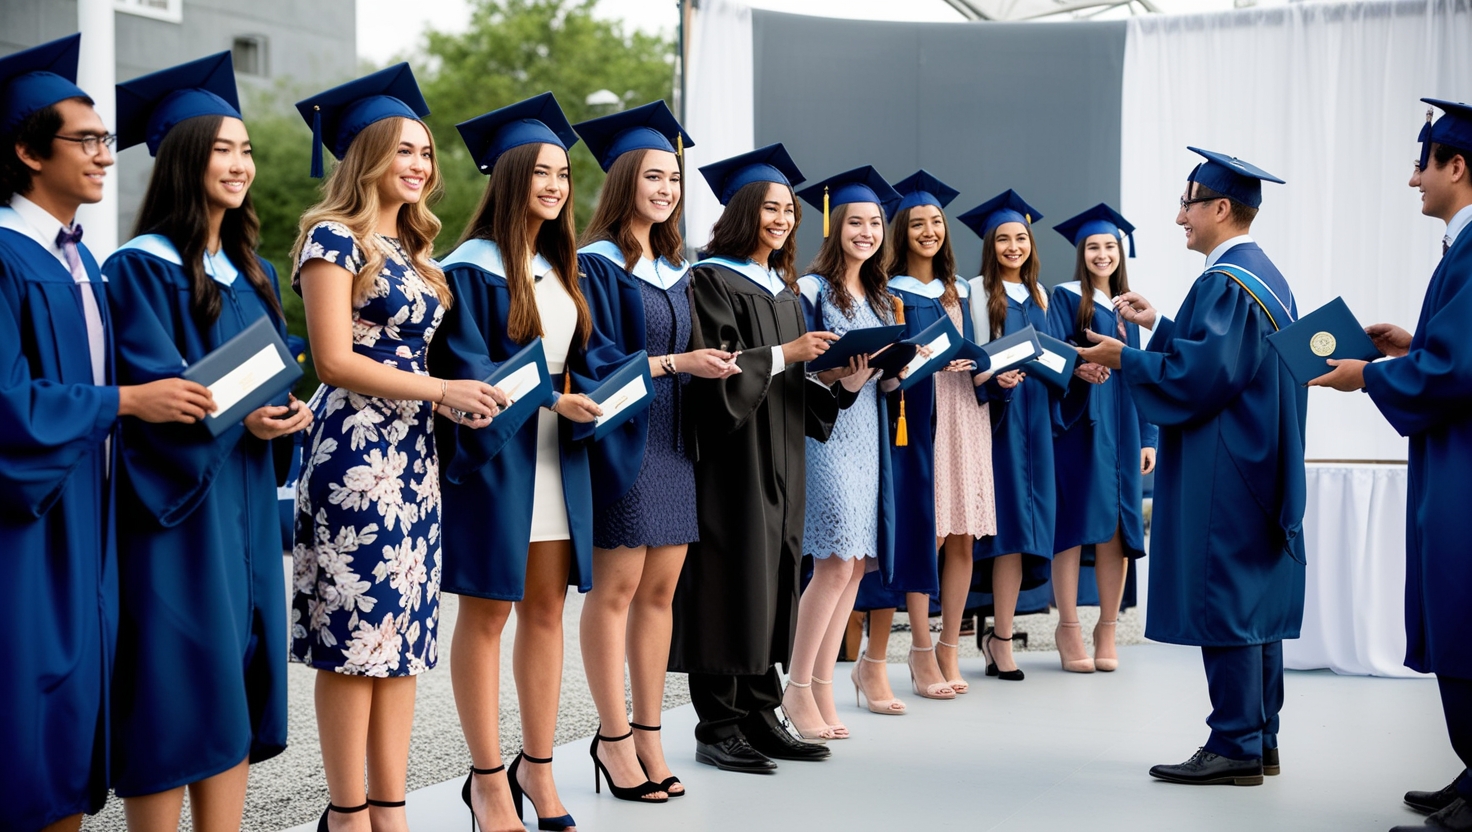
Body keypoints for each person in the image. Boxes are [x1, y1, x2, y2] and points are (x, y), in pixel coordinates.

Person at [0, 34, 216, 832]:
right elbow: (7, 401)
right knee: (25, 713)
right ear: (27, 150)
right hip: (27, 523)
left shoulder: (80, 262)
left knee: (75, 712)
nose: (104, 155)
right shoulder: (7, 256)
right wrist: (125, 403)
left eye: (104, 140)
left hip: (85, 516)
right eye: (85, 140)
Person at [290, 64, 503, 832]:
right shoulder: (333, 239)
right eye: (403, 151)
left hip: (413, 457)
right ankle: (346, 815)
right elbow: (334, 360)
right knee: (354, 633)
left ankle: (392, 811)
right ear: (366, 157)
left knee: (404, 637)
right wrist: (444, 393)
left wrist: (475, 394)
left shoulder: (420, 254)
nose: (418, 165)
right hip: (353, 451)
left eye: (425, 154)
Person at [103, 53, 310, 831]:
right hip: (177, 508)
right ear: (184, 159)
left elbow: (266, 379)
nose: (240, 164)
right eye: (222, 148)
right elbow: (150, 393)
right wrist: (238, 416)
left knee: (233, 671)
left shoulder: (252, 274)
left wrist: (281, 418)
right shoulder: (138, 270)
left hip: (247, 497)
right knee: (173, 682)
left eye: (246, 149)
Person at [1078, 147, 1304, 787]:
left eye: (1188, 204)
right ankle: (1260, 740)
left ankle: (1232, 743)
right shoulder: (1266, 277)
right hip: (1257, 459)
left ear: (1221, 208)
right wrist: (1164, 326)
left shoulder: (1224, 281)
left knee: (1227, 598)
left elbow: (1204, 376)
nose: (1180, 217)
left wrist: (1126, 357)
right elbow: (1236, 359)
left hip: (1226, 467)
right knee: (1253, 604)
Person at [432, 92, 602, 832]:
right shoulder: (469, 267)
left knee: (545, 610)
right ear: (505, 178)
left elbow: (577, 361)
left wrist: (598, 394)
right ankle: (485, 776)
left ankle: (538, 765)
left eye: (562, 172)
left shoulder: (559, 264)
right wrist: (549, 401)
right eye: (538, 171)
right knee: (490, 612)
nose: (554, 184)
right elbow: (467, 366)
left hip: (556, 457)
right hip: (500, 456)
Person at [1310, 99, 1472, 832]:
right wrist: (1409, 347)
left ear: (1457, 166)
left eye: (1423, 165)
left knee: (1466, 607)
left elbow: (1456, 375)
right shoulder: (1459, 250)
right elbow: (1447, 359)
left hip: (1465, 468)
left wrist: (1367, 376)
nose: (1414, 180)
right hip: (1452, 458)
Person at [573, 100, 735, 802]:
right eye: (653, 176)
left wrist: (711, 368)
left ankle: (649, 734)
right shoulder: (596, 266)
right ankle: (612, 740)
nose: (666, 189)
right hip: (627, 441)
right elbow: (597, 362)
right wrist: (678, 366)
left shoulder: (678, 267)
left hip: (676, 441)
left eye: (673, 178)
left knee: (662, 592)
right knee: (616, 591)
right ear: (622, 182)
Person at [670, 143, 841, 774]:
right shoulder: (711, 280)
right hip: (732, 456)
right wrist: (785, 355)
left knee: (774, 575)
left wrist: (839, 384)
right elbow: (717, 377)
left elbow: (793, 385)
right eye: (769, 208)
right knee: (730, 578)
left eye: (788, 210)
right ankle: (718, 723)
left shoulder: (785, 289)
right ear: (744, 212)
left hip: (782, 456)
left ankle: (762, 712)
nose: (782, 219)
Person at [786, 166, 905, 738]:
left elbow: (883, 378)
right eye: (855, 221)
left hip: (868, 430)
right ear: (834, 227)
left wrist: (896, 366)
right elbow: (799, 364)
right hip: (826, 433)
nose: (866, 231)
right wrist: (841, 378)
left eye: (875, 222)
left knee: (857, 566)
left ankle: (827, 686)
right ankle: (798, 687)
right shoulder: (811, 290)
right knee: (833, 563)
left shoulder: (882, 295)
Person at [1046, 204, 1157, 673]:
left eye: (1110, 246)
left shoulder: (1131, 307)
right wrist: (1077, 363)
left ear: (1121, 252)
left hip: (1125, 425)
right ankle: (1068, 627)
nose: (1102, 254)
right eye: (1093, 246)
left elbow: (1147, 373)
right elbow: (1048, 352)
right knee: (1073, 526)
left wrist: (1149, 436)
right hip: (1079, 423)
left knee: (1117, 529)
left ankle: (1106, 627)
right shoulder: (1065, 297)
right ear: (1081, 252)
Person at [959, 189, 1055, 683]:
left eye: (1020, 237)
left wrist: (1078, 374)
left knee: (1022, 535)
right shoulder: (974, 291)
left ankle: (1001, 636)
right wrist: (994, 380)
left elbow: (1058, 358)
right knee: (998, 530)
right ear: (990, 245)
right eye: (1003, 238)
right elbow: (972, 359)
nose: (1013, 246)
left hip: (1037, 425)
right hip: (995, 422)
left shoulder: (1043, 295)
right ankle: (957, 640)